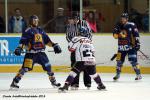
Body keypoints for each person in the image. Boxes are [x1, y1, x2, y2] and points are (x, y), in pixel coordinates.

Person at [10, 15, 62, 89]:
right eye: (34, 20)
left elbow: (47, 41)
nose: (36, 22)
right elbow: (23, 42)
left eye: (37, 20)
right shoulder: (27, 31)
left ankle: (54, 82)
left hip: (41, 54)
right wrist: (19, 48)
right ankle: (14, 82)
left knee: (48, 68)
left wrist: (54, 45)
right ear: (31, 21)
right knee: (24, 69)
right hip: (31, 54)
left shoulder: (41, 30)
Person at [66, 14, 92, 89]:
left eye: (70, 19)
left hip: (84, 47)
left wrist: (85, 43)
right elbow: (68, 37)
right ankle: (74, 83)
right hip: (75, 48)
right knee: (74, 65)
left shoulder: (84, 23)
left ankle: (87, 83)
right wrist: (73, 44)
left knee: (86, 64)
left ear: (75, 19)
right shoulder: (69, 26)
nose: (69, 21)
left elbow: (90, 34)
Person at [113, 13, 142, 81]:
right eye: (122, 18)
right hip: (121, 47)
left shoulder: (132, 25)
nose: (122, 19)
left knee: (133, 61)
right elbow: (114, 36)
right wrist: (119, 34)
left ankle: (139, 75)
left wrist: (138, 44)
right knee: (119, 61)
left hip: (131, 47)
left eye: (124, 18)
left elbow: (136, 35)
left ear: (127, 19)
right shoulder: (118, 25)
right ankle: (117, 74)